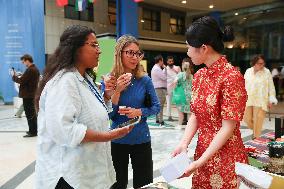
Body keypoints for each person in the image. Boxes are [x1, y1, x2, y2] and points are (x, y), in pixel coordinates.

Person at [34, 25, 132, 189]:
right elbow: (65, 131)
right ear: (75, 48)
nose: (99, 50)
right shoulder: (64, 81)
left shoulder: (84, 78)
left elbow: (93, 112)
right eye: (93, 45)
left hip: (91, 173)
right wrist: (108, 136)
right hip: (70, 177)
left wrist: (107, 95)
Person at [172, 16, 248, 188]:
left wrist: (199, 162)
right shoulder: (199, 76)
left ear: (203, 48)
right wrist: (183, 144)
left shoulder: (232, 77)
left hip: (227, 159)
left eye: (189, 46)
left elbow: (228, 127)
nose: (187, 52)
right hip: (203, 154)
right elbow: (195, 115)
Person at [109, 35, 160, 189]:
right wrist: (117, 91)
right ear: (120, 53)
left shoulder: (144, 80)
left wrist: (139, 111)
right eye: (130, 53)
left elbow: (156, 107)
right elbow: (109, 115)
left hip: (141, 138)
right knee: (117, 183)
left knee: (144, 183)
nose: (134, 57)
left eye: (137, 53)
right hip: (117, 138)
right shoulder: (110, 79)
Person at [244, 54, 278, 139]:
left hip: (261, 100)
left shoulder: (266, 72)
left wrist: (271, 98)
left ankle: (256, 138)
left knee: (258, 120)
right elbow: (243, 84)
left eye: (263, 63)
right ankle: (256, 131)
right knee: (246, 119)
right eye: (259, 63)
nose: (262, 65)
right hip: (249, 99)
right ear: (254, 63)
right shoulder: (248, 71)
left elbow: (271, 86)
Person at [12, 54, 40, 137]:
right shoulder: (34, 69)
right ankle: (33, 130)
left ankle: (33, 132)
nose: (23, 63)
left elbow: (21, 80)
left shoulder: (30, 70)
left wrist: (14, 76)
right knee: (31, 113)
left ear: (27, 60)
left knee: (30, 114)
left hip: (28, 95)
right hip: (30, 94)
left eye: (23, 61)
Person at [171, 58, 193, 129]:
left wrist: (174, 88)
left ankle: (179, 125)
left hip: (181, 96)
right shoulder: (191, 76)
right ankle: (190, 127)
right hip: (190, 96)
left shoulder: (180, 74)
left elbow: (174, 83)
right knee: (189, 113)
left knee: (180, 113)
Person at [151, 55, 167, 126]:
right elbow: (164, 77)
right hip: (159, 89)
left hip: (158, 88)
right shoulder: (157, 68)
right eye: (162, 61)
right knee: (160, 105)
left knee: (158, 104)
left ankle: (158, 119)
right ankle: (161, 120)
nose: (163, 62)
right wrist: (165, 69)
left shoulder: (156, 68)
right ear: (160, 61)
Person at [166, 56, 181, 121]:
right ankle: (169, 116)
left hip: (177, 88)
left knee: (178, 102)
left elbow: (180, 76)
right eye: (169, 61)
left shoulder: (177, 68)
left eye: (172, 61)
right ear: (167, 62)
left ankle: (181, 116)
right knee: (169, 103)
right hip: (168, 88)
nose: (171, 62)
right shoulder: (165, 69)